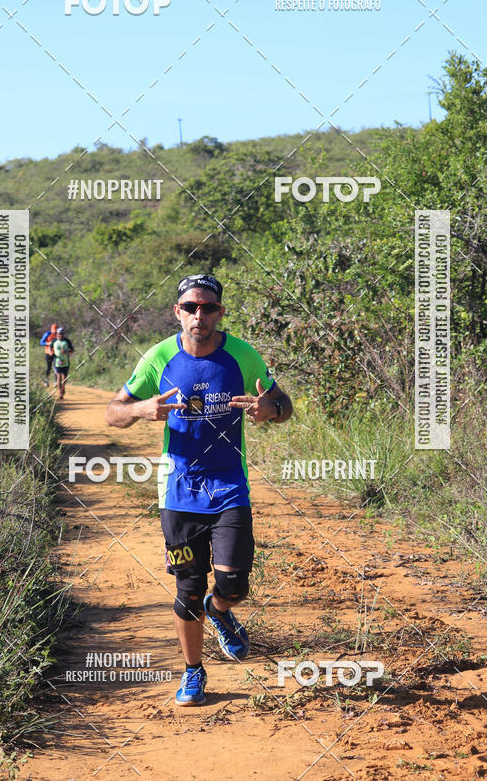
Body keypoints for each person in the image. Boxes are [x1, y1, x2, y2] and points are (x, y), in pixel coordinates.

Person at [105, 274, 293, 706]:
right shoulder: (159, 357)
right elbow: (113, 412)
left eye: (208, 307)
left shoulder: (242, 355)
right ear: (178, 312)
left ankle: (219, 610)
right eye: (190, 307)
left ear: (220, 312)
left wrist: (270, 408)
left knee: (234, 585)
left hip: (229, 488)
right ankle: (193, 671)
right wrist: (140, 408)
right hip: (178, 493)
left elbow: (284, 404)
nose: (199, 315)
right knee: (188, 590)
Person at [51, 327, 74, 400]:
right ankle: (60, 392)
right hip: (57, 362)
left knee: (64, 377)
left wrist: (66, 352)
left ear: (64, 334)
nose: (60, 335)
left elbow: (72, 351)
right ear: (57, 334)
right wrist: (51, 352)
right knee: (59, 377)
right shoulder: (54, 341)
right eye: (59, 334)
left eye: (62, 334)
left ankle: (63, 387)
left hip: (65, 362)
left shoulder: (67, 341)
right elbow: (50, 347)